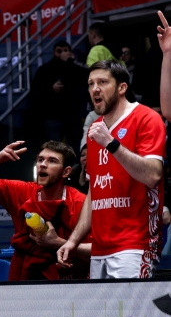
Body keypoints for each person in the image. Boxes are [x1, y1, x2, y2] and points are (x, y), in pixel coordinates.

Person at [59, 60, 166, 278]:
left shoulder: (147, 118)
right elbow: (94, 193)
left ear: (122, 87)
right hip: (99, 249)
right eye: (91, 84)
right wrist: (73, 240)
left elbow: (153, 175)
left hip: (136, 245)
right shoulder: (95, 129)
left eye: (102, 82)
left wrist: (111, 143)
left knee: (130, 303)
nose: (95, 89)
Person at [0, 140, 90, 280]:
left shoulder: (81, 203)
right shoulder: (21, 191)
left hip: (68, 282)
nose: (43, 164)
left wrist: (57, 243)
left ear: (66, 171)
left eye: (52, 161)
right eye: (40, 160)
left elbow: (95, 251)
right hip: (24, 279)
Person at [27, 41, 88, 152]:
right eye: (59, 51)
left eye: (65, 51)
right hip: (53, 116)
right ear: (54, 53)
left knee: (76, 149)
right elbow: (36, 92)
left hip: (72, 116)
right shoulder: (45, 69)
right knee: (56, 150)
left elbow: (87, 76)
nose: (62, 54)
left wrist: (71, 61)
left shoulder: (75, 67)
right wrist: (52, 89)